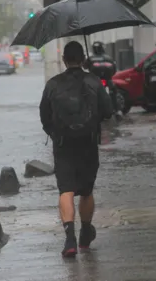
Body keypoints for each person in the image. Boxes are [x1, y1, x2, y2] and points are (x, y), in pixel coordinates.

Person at [39, 41, 113, 258]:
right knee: (87, 191)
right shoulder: (93, 81)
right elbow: (108, 111)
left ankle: (69, 239)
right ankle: (85, 234)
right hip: (88, 143)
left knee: (66, 191)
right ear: (82, 59)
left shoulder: (52, 84)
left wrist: (55, 134)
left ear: (64, 60)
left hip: (63, 145)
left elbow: (44, 116)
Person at [84, 41, 122, 119]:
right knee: (114, 93)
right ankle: (118, 110)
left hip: (94, 81)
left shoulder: (91, 58)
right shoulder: (109, 58)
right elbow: (114, 70)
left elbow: (85, 67)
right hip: (108, 79)